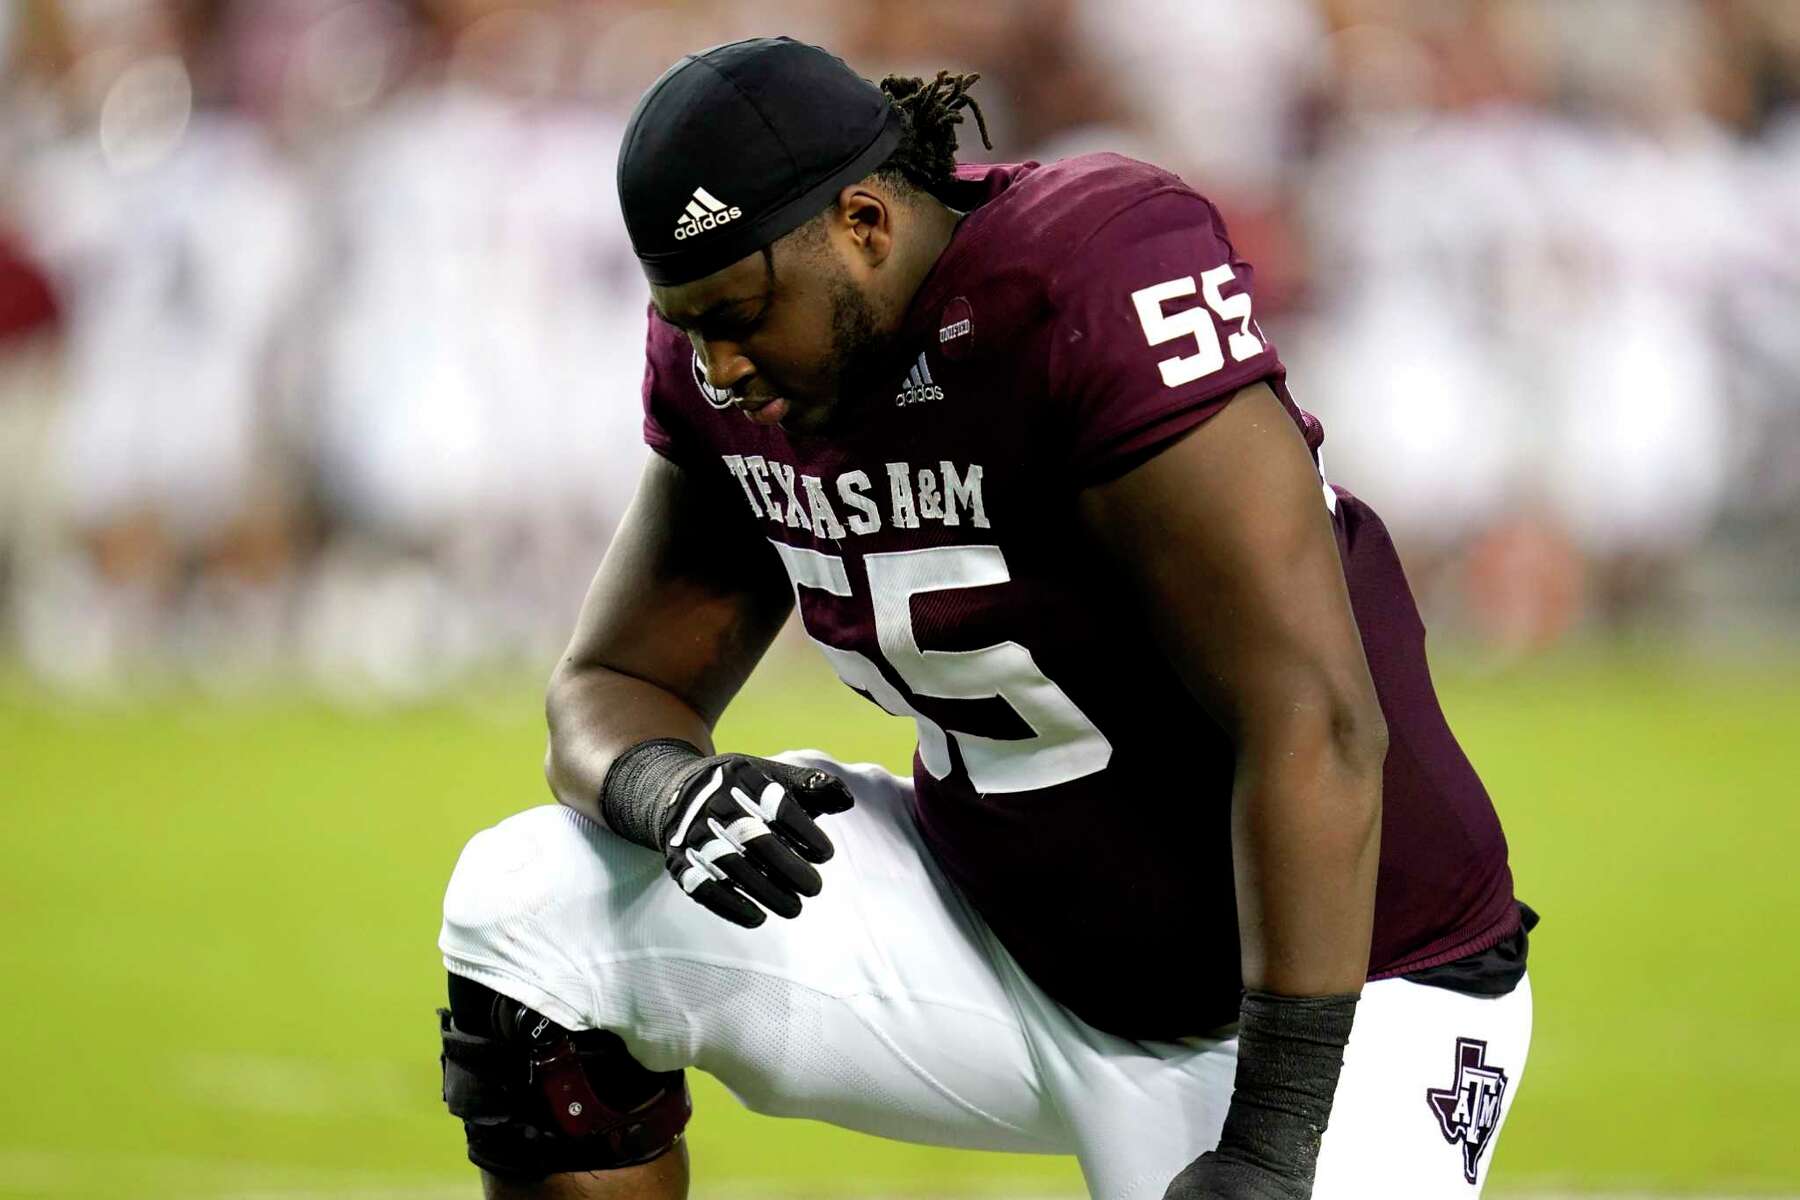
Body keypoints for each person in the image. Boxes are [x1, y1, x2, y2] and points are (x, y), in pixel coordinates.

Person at [438, 37, 1536, 1199]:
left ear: (864, 221)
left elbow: (1313, 716)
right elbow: (608, 683)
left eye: (744, 311)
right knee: (531, 909)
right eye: (691, 324)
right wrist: (671, 793)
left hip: (1349, 988)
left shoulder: (1084, 280)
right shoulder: (737, 366)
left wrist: (1270, 1148)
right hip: (1008, 940)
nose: (721, 364)